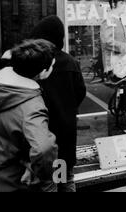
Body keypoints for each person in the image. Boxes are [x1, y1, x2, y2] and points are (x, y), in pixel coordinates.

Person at [0, 39, 58, 192]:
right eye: (52, 65)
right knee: (53, 183)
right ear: (43, 71)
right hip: (16, 181)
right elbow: (43, 149)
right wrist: (41, 173)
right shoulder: (31, 106)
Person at [30, 15, 86, 192]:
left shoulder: (37, 63)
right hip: (66, 135)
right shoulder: (70, 61)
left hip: (44, 136)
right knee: (65, 179)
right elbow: (80, 92)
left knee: (49, 183)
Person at [100, 0, 126, 79]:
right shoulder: (108, 21)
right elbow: (107, 42)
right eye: (121, 3)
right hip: (113, 66)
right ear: (114, 5)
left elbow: (122, 40)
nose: (124, 5)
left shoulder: (118, 20)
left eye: (125, 3)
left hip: (122, 65)